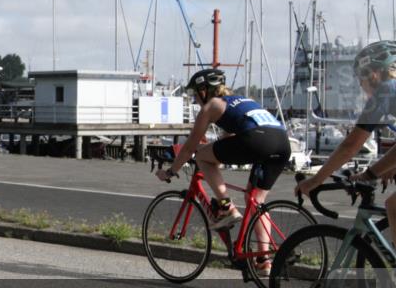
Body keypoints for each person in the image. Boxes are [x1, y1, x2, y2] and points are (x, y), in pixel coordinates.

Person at [156, 68, 291, 241]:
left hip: (257, 140)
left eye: (195, 94)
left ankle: (227, 207)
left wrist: (170, 172)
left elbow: (189, 148)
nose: (195, 99)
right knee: (256, 202)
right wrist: (213, 161)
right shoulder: (242, 100)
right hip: (282, 142)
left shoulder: (211, 106)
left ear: (204, 91)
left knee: (201, 156)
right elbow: (226, 141)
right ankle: (264, 255)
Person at [296, 40, 396, 249]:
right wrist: (379, 171)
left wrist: (314, 181)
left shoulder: (385, 91)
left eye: (360, 78)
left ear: (372, 74)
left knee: (393, 206)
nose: (360, 85)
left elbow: (350, 146)